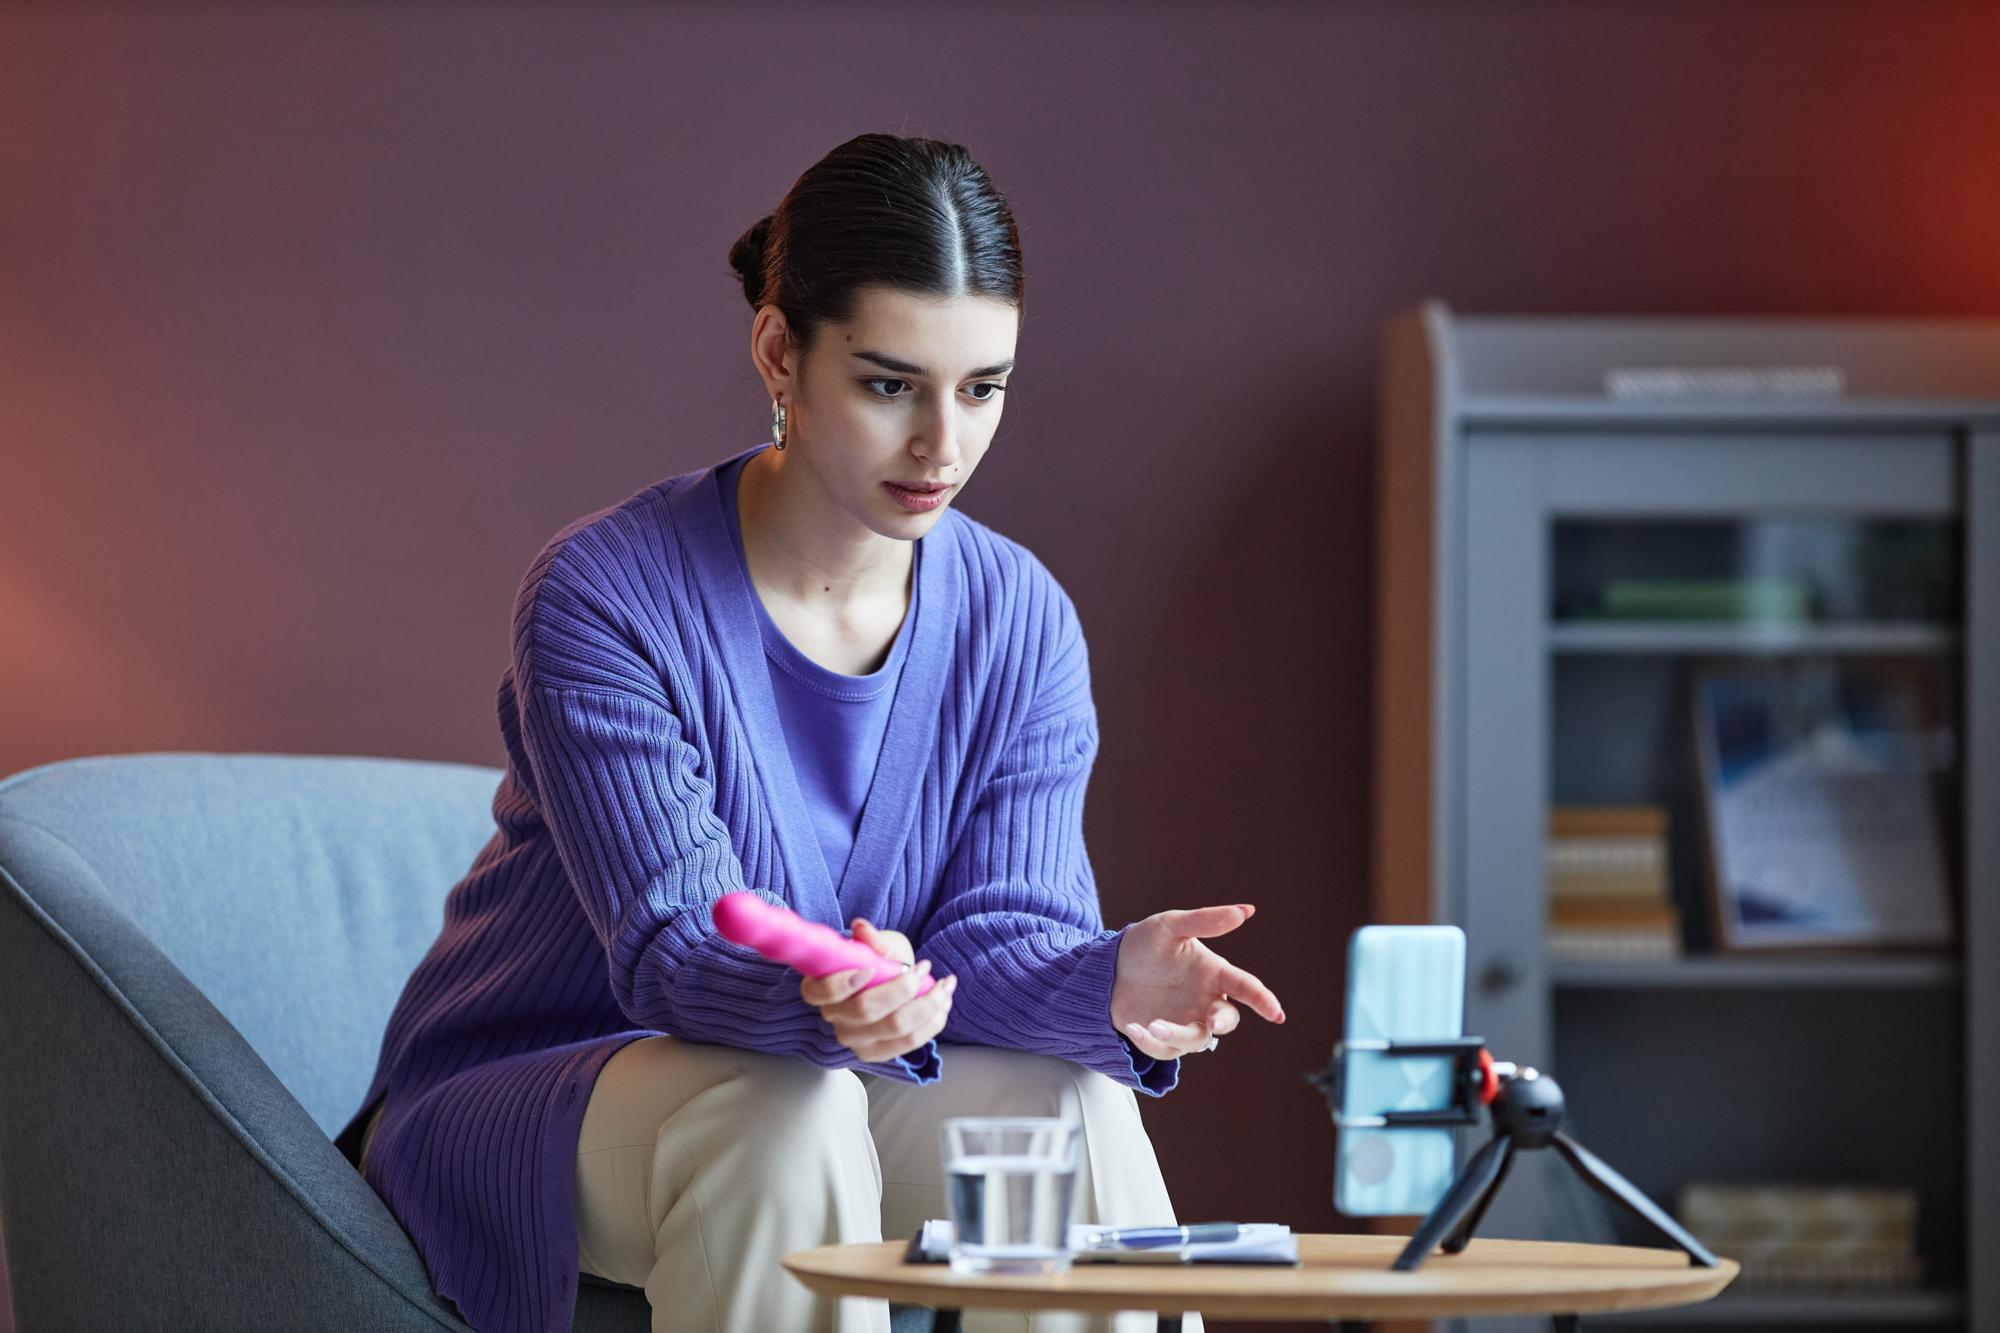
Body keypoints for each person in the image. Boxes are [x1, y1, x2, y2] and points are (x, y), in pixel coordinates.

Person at [335, 131, 1286, 1333]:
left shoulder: (1020, 620)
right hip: (557, 1085)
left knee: (1069, 1107)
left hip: (835, 1071)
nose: (942, 444)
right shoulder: (606, 593)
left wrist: (1105, 977)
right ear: (780, 350)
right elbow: (671, 945)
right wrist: (827, 997)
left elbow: (990, 937)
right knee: (784, 1110)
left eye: (981, 387)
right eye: (890, 384)